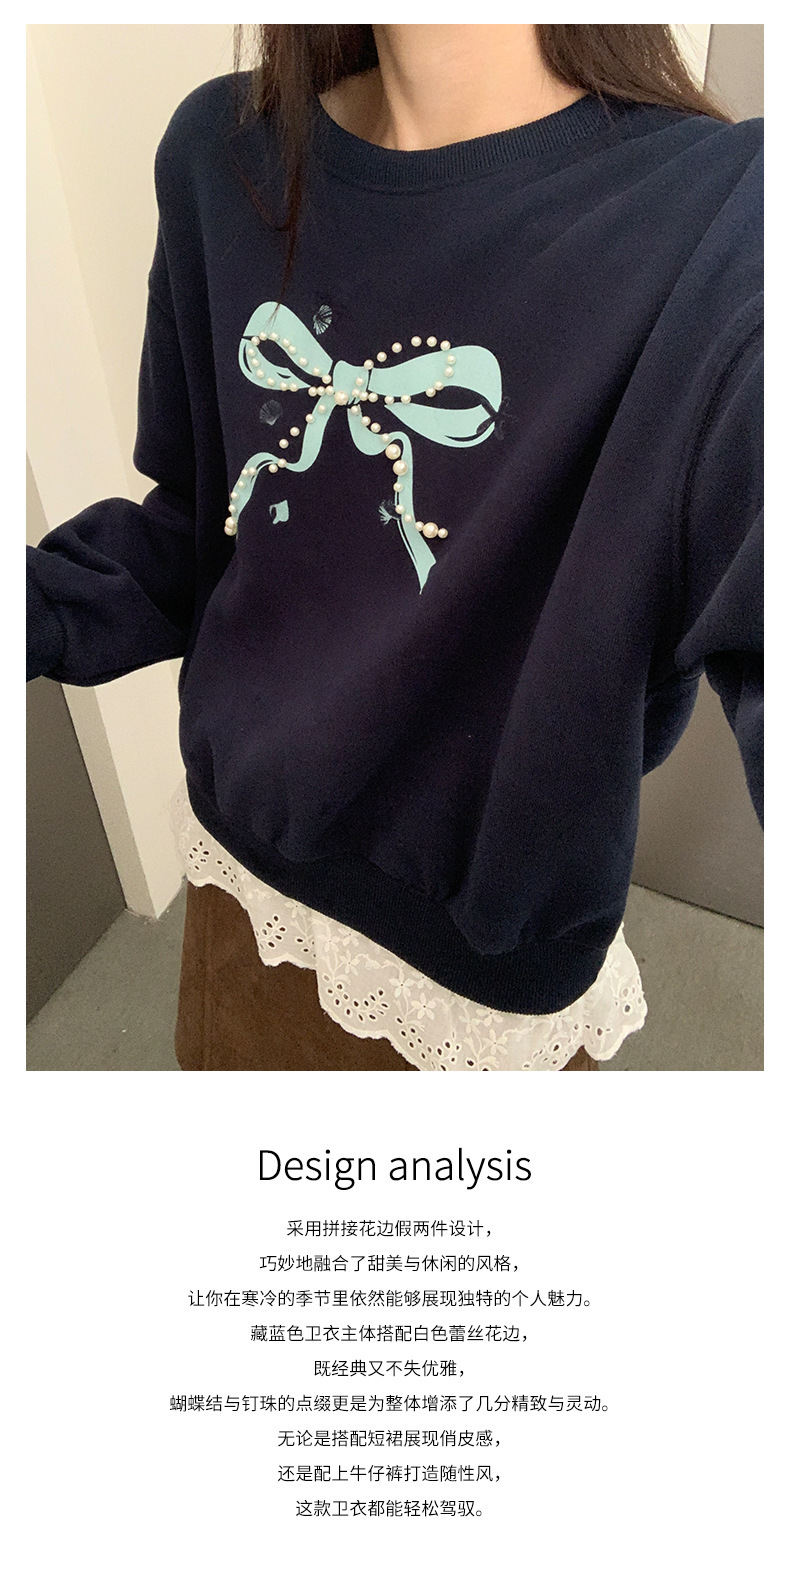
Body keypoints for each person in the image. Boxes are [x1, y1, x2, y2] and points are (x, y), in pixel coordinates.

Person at [26, 24, 763, 1072]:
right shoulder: (220, 159)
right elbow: (199, 534)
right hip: (237, 897)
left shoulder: (728, 234)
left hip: (482, 1017)